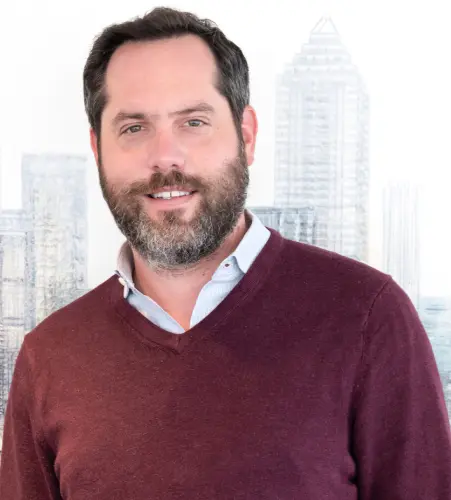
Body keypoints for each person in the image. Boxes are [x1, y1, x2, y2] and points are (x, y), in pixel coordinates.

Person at [1, 6, 450, 499]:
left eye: (193, 122)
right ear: (98, 148)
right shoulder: (50, 357)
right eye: (134, 128)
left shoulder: (367, 316)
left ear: (247, 135)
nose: (165, 155)